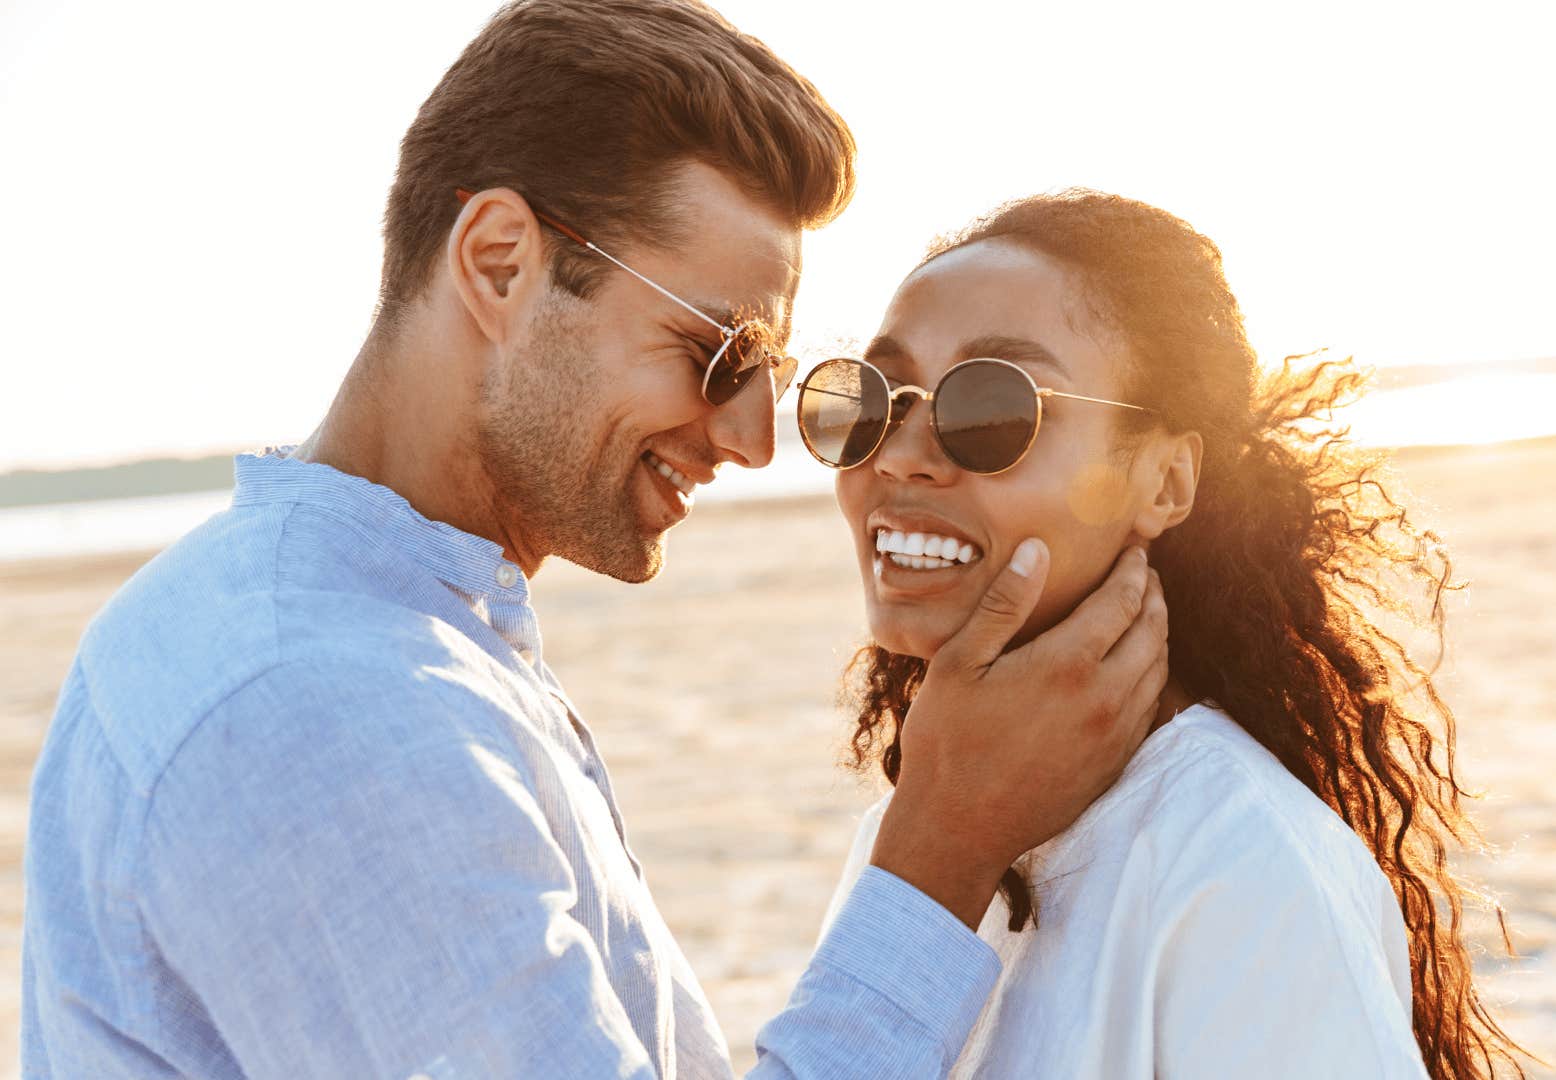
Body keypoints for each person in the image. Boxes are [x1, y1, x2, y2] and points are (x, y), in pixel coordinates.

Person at [20, 5, 1169, 1077]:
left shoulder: (390, 631)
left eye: (765, 372)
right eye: (717, 354)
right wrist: (940, 851)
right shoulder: (320, 702)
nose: (751, 438)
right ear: (499, 264)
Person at [806, 191, 1531, 1078]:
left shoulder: (1242, 862)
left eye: (991, 410)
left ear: (1164, 482)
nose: (901, 454)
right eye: (875, 399)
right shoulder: (916, 831)